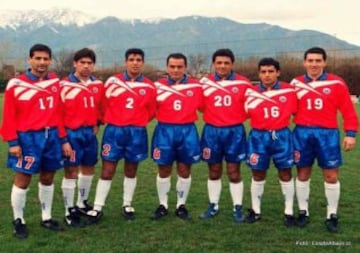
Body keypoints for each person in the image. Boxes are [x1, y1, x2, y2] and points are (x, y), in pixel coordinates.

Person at [0, 43, 72, 238]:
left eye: (45, 59)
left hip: (52, 137)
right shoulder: (17, 84)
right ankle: (18, 219)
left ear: (50, 60)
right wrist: (13, 142)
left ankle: (46, 217)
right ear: (29, 60)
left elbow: (58, 113)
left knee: (48, 177)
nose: (42, 62)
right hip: (27, 139)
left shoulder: (55, 82)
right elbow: (8, 116)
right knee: (23, 178)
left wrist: (63, 139)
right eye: (37, 58)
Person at [291, 47, 358, 232]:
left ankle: (331, 214)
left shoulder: (336, 83)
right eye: (310, 60)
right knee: (303, 174)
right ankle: (303, 212)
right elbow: (286, 108)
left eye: (318, 60)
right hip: (302, 134)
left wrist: (351, 134)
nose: (314, 64)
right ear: (304, 62)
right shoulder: (295, 83)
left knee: (331, 176)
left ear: (324, 62)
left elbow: (348, 111)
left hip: (327, 135)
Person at [86, 48, 156, 223]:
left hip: (137, 132)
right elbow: (102, 105)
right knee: (108, 169)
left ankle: (127, 204)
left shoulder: (148, 85)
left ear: (143, 63)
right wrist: (105, 120)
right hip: (114, 131)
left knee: (131, 169)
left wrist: (137, 121)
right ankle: (97, 207)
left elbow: (152, 111)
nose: (135, 62)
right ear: (126, 62)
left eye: (138, 59)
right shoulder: (112, 82)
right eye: (131, 59)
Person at [199, 48, 252, 222]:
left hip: (234, 132)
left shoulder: (243, 83)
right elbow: (199, 105)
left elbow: (251, 107)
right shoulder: (204, 83)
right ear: (213, 64)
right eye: (219, 63)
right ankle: (213, 205)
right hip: (211, 132)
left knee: (234, 171)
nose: (222, 66)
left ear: (232, 64)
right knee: (214, 171)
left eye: (226, 63)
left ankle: (237, 206)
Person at [244, 57, 297, 227]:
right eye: (263, 72)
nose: (267, 75)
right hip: (258, 137)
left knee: (285, 173)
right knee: (258, 173)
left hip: (282, 136)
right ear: (259, 73)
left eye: (271, 71)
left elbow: (299, 112)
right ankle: (255, 210)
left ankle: (288, 212)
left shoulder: (290, 91)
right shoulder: (250, 92)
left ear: (278, 72)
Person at [150, 53, 203, 220]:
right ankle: (163, 205)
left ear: (185, 67)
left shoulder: (196, 86)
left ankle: (181, 205)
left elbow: (205, 107)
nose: (176, 70)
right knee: (164, 168)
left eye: (179, 67)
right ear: (167, 67)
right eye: (172, 66)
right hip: (164, 131)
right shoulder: (157, 86)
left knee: (184, 169)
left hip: (187, 131)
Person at [60, 48, 104, 227]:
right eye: (82, 63)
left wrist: (98, 123)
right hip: (72, 133)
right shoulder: (63, 85)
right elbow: (57, 114)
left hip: (89, 134)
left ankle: (82, 202)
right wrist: (63, 139)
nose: (86, 66)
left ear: (93, 65)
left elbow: (101, 108)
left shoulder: (98, 85)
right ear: (75, 63)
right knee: (71, 171)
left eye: (89, 63)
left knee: (88, 168)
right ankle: (68, 209)